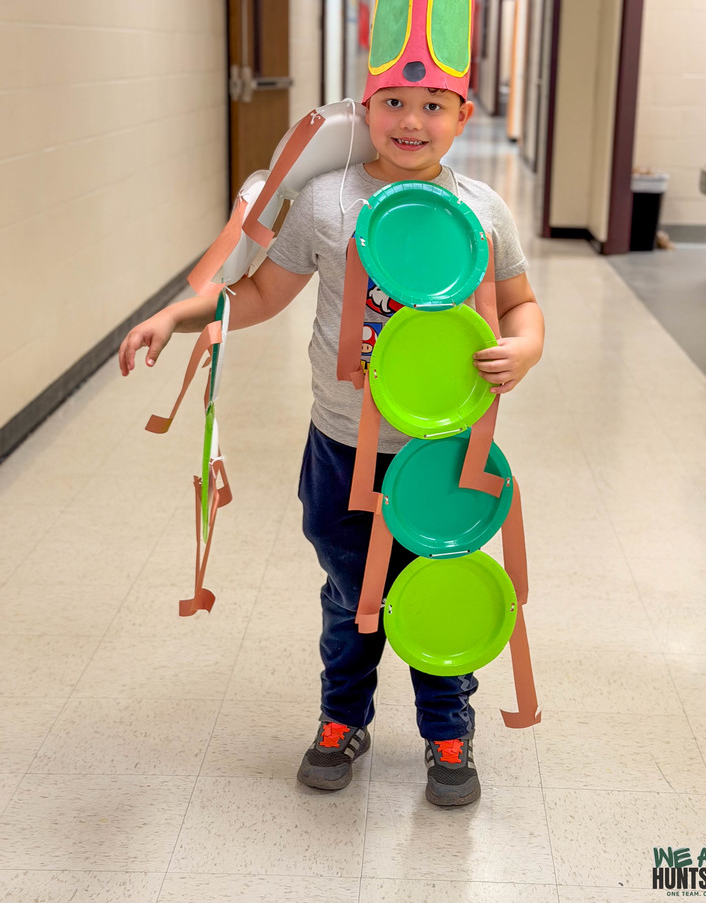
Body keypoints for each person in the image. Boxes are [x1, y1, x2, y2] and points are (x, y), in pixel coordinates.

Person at [119, 83, 545, 807]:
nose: (411, 121)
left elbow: (519, 303)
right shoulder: (325, 200)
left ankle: (448, 727)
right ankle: (344, 717)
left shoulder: (482, 209)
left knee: (437, 582)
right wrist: (177, 315)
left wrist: (526, 348)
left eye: (434, 105)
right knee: (355, 595)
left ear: (463, 117)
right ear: (364, 106)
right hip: (343, 444)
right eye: (394, 102)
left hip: (443, 455)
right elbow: (255, 295)